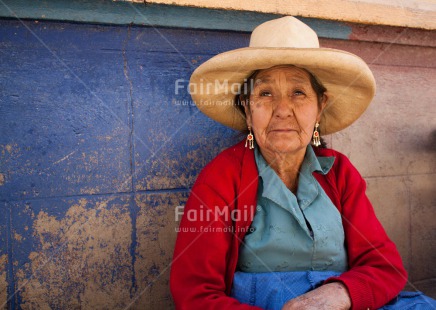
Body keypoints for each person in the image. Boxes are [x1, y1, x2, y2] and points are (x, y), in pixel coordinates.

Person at [170, 16, 436, 309]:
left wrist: (338, 295)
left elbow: (386, 267)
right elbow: (194, 293)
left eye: (298, 93)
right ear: (247, 109)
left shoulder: (339, 172)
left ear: (320, 107)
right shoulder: (221, 178)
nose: (283, 110)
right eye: (265, 94)